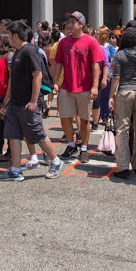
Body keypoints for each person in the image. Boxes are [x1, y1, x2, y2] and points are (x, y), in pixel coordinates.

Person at [0, 20, 63, 181]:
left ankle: (55, 161)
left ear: (15, 35)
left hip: (28, 102)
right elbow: (13, 77)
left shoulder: (29, 51)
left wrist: (33, 101)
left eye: (9, 34)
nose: (7, 37)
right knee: (13, 134)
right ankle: (16, 169)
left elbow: (37, 75)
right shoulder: (18, 51)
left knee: (37, 134)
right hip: (15, 102)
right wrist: (8, 96)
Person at [52, 11, 103, 163]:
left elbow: (96, 65)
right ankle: (71, 144)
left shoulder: (91, 41)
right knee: (65, 118)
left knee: (84, 120)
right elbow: (58, 63)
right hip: (66, 87)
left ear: (81, 24)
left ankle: (84, 148)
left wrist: (95, 86)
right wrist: (55, 82)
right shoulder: (63, 42)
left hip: (85, 88)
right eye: (68, 22)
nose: (69, 25)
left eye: (73, 22)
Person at [109, 27, 136, 178]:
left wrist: (111, 96)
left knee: (122, 129)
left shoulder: (120, 54)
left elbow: (116, 77)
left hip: (124, 91)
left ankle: (122, 165)